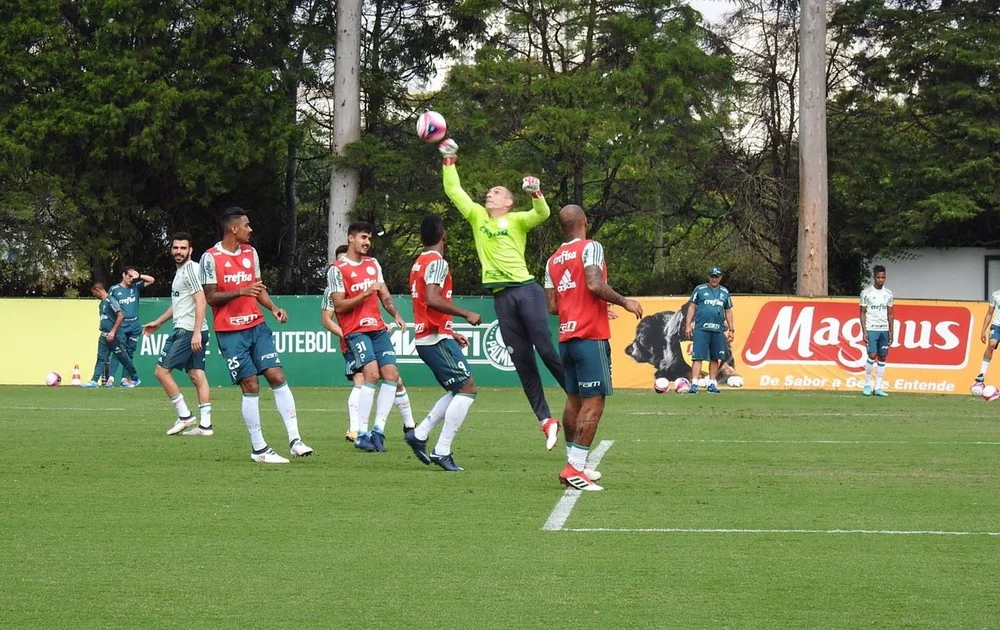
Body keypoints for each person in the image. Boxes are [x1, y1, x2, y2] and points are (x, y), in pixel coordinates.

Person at [438, 137, 565, 450]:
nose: (488, 195)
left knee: (545, 349)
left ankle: (576, 392)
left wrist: (535, 193)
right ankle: (546, 420)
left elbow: (543, 214)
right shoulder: (478, 216)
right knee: (522, 361)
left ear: (508, 201)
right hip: (502, 298)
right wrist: (449, 161)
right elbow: (454, 192)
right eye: (489, 193)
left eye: (495, 192)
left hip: (526, 290)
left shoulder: (516, 219)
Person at [200, 207, 312, 463]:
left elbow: (257, 289)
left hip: (257, 326)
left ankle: (295, 439)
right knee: (250, 384)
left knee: (277, 375)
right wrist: (241, 291)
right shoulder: (210, 257)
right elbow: (210, 297)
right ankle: (259, 449)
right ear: (233, 228)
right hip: (230, 331)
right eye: (246, 225)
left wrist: (273, 308)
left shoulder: (251, 253)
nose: (250, 230)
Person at [544, 205, 642, 490]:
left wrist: (593, 308)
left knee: (574, 400)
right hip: (589, 336)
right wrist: (625, 302)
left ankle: (576, 464)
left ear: (563, 227)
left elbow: (552, 306)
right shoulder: (591, 247)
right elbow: (594, 284)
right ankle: (574, 469)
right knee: (594, 401)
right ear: (584, 222)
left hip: (567, 336)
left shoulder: (552, 260)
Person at [403, 215, 482, 472]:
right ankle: (441, 449)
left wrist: (449, 330)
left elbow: (426, 304)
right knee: (467, 389)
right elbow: (433, 299)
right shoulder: (437, 263)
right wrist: (465, 314)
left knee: (459, 389)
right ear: (443, 236)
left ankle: (421, 434)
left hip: (433, 335)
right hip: (433, 339)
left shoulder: (419, 262)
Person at [321, 244, 415, 443]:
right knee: (363, 378)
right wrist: (344, 333)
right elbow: (327, 318)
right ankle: (357, 429)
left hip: (375, 330)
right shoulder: (332, 287)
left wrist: (393, 316)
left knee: (393, 378)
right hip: (352, 336)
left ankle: (405, 425)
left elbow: (384, 296)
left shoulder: (371, 266)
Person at [142, 232, 213, 437]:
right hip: (193, 329)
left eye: (183, 248)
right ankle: (206, 426)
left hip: (188, 330)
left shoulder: (190, 269)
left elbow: (201, 300)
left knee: (161, 371)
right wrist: (159, 322)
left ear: (190, 250)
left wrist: (196, 332)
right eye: (176, 248)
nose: (179, 251)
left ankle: (185, 416)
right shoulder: (182, 271)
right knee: (196, 374)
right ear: (171, 250)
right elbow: (180, 304)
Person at [684, 266, 734, 394]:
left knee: (715, 357)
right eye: (712, 276)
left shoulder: (724, 292)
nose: (714, 279)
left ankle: (712, 383)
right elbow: (692, 306)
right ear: (708, 277)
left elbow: (728, 310)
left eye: (716, 277)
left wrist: (731, 329)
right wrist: (688, 324)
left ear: (721, 278)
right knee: (698, 356)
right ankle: (694, 383)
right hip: (701, 328)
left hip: (717, 329)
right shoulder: (700, 289)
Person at [81, 283, 141, 388]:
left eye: (93, 292)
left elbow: (120, 315)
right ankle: (94, 381)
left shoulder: (111, 300)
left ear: (97, 290)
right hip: (104, 335)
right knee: (101, 358)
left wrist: (113, 331)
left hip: (114, 335)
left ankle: (134, 377)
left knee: (123, 357)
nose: (94, 295)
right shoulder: (101, 304)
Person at [106, 265, 155, 387]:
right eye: (129, 276)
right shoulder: (114, 289)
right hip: (121, 325)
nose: (131, 279)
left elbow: (152, 280)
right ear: (123, 275)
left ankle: (124, 379)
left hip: (134, 325)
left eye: (133, 277)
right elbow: (108, 306)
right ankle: (110, 379)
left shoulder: (135, 287)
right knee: (118, 351)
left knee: (129, 352)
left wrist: (140, 276)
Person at [860, 265, 894, 397]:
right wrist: (864, 331)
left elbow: (890, 314)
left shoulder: (888, 294)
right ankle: (867, 384)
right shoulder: (866, 293)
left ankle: (878, 387)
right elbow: (862, 312)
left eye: (883, 277)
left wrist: (891, 332)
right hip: (871, 328)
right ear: (874, 277)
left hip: (884, 329)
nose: (881, 280)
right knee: (872, 355)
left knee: (882, 357)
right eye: (878, 277)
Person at [975, 288, 1000, 383]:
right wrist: (983, 330)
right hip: (997, 326)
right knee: (992, 344)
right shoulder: (996, 295)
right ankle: (981, 374)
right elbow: (989, 313)